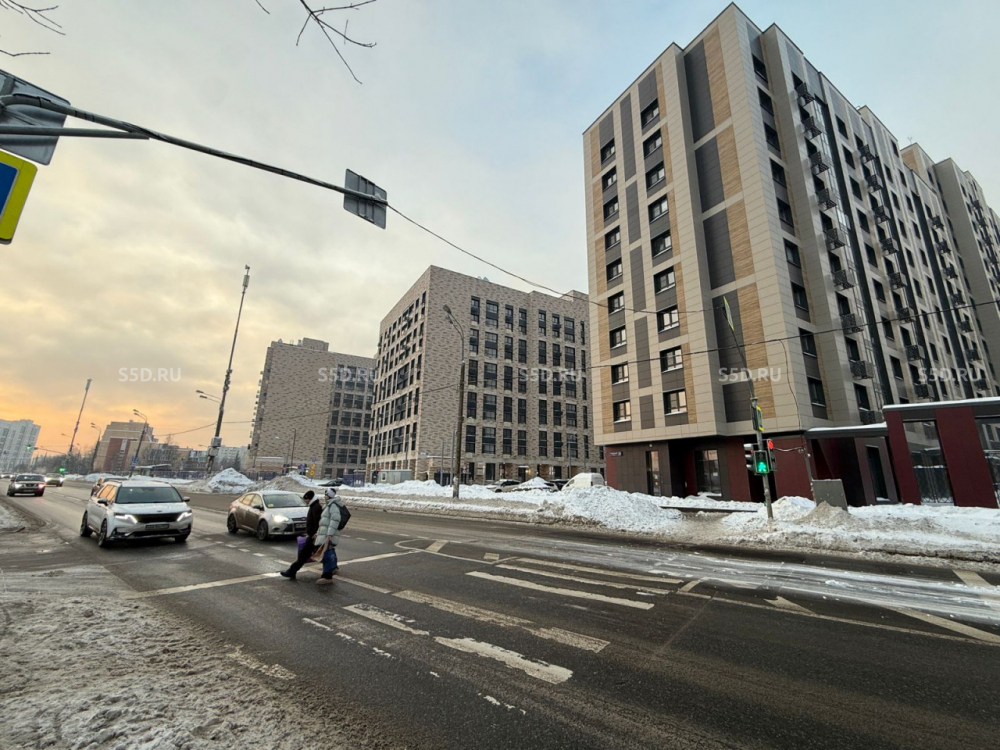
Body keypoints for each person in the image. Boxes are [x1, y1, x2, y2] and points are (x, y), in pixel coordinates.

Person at [279, 490, 322, 580]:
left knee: (304, 555)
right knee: (319, 554)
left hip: (314, 537)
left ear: (309, 499)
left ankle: (291, 571)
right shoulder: (313, 506)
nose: (305, 502)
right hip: (313, 536)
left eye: (305, 500)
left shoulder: (316, 507)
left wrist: (316, 534)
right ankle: (331, 569)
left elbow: (318, 523)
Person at [314, 487, 346, 584]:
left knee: (326, 555)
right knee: (329, 552)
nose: (324, 496)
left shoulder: (333, 506)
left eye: (326, 495)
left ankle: (327, 576)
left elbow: (335, 520)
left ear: (330, 496)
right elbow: (324, 521)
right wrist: (318, 532)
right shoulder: (329, 505)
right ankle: (333, 568)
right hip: (325, 533)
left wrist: (329, 534)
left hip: (327, 535)